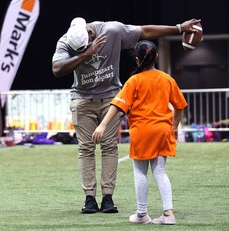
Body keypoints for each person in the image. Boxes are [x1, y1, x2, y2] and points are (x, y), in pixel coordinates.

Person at [52, 17, 200, 214]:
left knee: (109, 148)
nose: (79, 52)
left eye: (83, 48)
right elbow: (57, 69)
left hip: (111, 97)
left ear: (89, 33)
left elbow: (144, 31)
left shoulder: (112, 31)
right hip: (82, 99)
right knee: (86, 149)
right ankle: (89, 198)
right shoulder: (67, 40)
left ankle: (107, 198)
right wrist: (86, 53)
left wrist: (179, 28)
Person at [92, 40, 187, 224]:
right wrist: (174, 128)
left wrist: (102, 125)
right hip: (162, 130)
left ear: (137, 60)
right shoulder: (167, 79)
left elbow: (118, 106)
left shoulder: (134, 81)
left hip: (142, 131)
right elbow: (180, 106)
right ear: (156, 57)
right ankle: (168, 214)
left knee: (140, 171)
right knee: (160, 172)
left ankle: (142, 214)